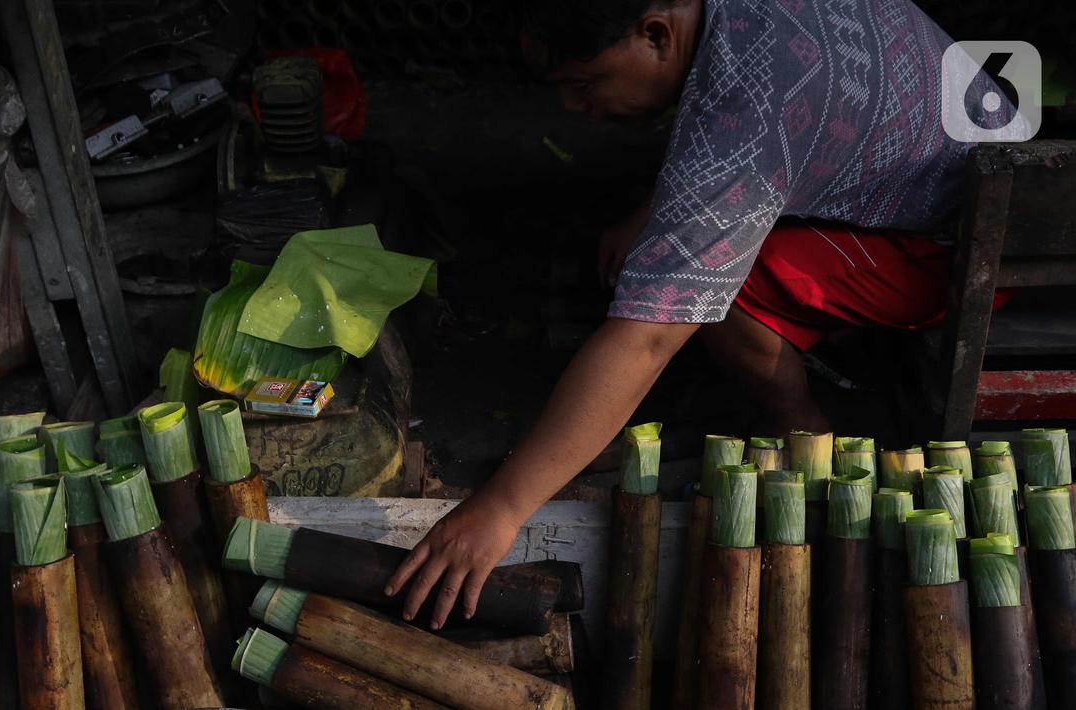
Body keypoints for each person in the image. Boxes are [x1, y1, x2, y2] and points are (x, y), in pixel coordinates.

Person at [385, 0, 1018, 629]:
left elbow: (647, 341)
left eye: (583, 84)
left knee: (716, 285)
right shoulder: (729, 25)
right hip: (997, 162)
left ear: (656, 34)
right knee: (691, 247)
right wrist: (658, 213)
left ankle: (812, 436)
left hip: (972, 246)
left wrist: (499, 509)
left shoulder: (746, 106)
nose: (572, 108)